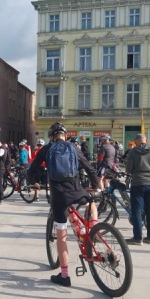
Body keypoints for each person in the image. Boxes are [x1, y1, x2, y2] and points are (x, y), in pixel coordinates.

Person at [38, 122, 99, 287]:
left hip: (59, 197)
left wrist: (33, 182)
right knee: (91, 202)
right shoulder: (73, 148)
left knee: (61, 237)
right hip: (77, 191)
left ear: (51, 136)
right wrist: (96, 184)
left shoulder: (47, 149)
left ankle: (64, 276)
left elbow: (33, 169)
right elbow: (88, 167)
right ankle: (94, 229)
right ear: (65, 135)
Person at [124, 133, 150, 245]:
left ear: (136, 142)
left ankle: (137, 238)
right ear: (146, 140)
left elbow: (128, 169)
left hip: (138, 183)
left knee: (136, 210)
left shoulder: (133, 151)